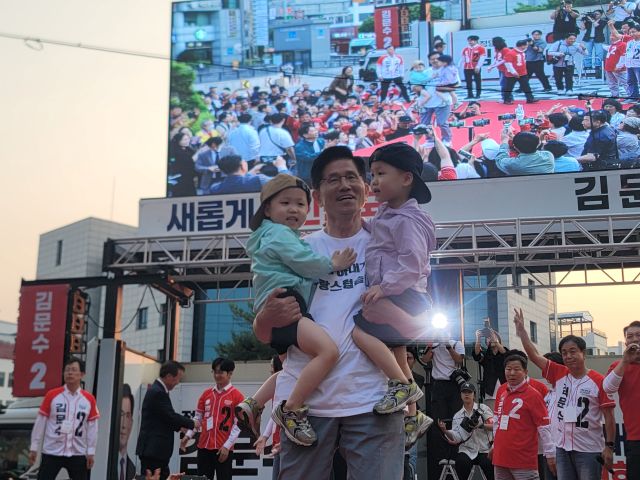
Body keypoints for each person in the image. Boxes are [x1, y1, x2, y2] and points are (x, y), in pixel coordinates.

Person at [253, 146, 405, 480]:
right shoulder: (298, 250)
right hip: (306, 408)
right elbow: (264, 333)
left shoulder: (388, 245)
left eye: (352, 177)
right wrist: (267, 316)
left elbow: (409, 319)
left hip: (374, 402)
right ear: (317, 196)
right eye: (333, 179)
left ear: (365, 188)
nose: (344, 185)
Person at [245, 173, 356, 447]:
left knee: (292, 365)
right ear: (267, 209)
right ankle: (291, 408)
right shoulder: (280, 234)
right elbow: (303, 261)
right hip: (287, 302)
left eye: (300, 204)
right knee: (328, 352)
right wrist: (332, 264)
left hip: (281, 306)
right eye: (285, 203)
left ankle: (256, 404)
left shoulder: (270, 235)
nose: (294, 209)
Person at [351, 143, 435, 449]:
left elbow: (412, 264)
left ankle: (402, 385)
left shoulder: (407, 221)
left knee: (360, 333)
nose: (373, 181)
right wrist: (360, 224)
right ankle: (414, 415)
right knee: (397, 351)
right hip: (402, 293)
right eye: (372, 174)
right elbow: (380, 233)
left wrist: (384, 288)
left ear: (406, 178)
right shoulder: (389, 213)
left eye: (380, 173)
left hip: (403, 294)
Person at [513, 308, 617, 480]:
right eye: (564, 353)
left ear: (583, 353)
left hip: (589, 450)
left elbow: (609, 416)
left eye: (573, 351)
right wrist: (522, 331)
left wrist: (610, 447)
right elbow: (534, 355)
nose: (568, 356)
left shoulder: (599, 381)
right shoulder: (558, 373)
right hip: (562, 448)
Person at [29, 357, 99, 480]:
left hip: (77, 452)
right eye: (67, 370)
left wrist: (91, 451)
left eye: (74, 370)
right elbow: (40, 421)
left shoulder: (89, 399)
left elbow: (93, 426)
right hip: (52, 451)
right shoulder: (52, 395)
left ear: (82, 374)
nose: (70, 373)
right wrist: (34, 447)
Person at [491, 352, 554, 480]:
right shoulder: (502, 391)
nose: (512, 373)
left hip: (523, 459)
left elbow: (544, 426)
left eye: (516, 369)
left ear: (525, 372)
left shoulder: (533, 394)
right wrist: (494, 445)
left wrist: (550, 453)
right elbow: (497, 420)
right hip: (501, 457)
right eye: (508, 369)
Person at [180, 358, 244, 480]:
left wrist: (227, 446)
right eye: (214, 372)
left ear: (230, 373)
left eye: (220, 372)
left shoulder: (237, 396)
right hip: (204, 447)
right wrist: (187, 436)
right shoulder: (206, 394)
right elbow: (198, 419)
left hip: (223, 449)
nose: (216, 375)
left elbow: (238, 425)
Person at [136, 360, 196, 480]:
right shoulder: (158, 392)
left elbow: (163, 418)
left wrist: (180, 427)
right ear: (168, 376)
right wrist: (192, 423)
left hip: (156, 451)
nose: (177, 382)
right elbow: (170, 416)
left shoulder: (158, 390)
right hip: (154, 451)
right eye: (177, 379)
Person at [603, 321, 640, 480]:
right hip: (636, 439)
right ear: (626, 343)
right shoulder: (619, 366)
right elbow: (608, 388)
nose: (634, 339)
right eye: (630, 336)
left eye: (638, 335)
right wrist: (625, 360)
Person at [438, 382, 494, 480]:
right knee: (461, 462)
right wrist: (445, 431)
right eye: (464, 392)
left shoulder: (483, 409)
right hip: (467, 449)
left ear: (474, 395)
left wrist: (481, 425)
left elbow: (494, 426)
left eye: (469, 392)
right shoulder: (457, 415)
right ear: (461, 395)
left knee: (489, 464)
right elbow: (457, 437)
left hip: (484, 448)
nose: (466, 394)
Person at [209, 155, 289, 195]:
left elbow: (236, 181)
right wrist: (282, 167)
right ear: (242, 166)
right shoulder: (259, 180)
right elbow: (286, 183)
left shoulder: (215, 188)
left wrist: (251, 171)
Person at [473, 328, 508, 410]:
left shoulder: (503, 351)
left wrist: (495, 340)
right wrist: (478, 338)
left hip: (506, 391)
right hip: (490, 393)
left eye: (492, 337)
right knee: (491, 415)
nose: (490, 339)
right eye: (488, 338)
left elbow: (506, 354)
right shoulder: (486, 354)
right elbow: (477, 355)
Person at [168, 131, 197, 197]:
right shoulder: (174, 151)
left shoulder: (189, 149)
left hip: (190, 178)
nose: (187, 141)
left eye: (188, 139)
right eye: (184, 139)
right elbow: (188, 162)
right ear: (178, 141)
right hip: (180, 179)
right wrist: (198, 154)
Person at [118, 384, 136, 480]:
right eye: (121, 415)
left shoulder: (132, 469)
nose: (124, 425)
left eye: (128, 416)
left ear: (131, 424)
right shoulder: (101, 463)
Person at [604, 31, 628, 97]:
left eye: (613, 36)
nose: (611, 37)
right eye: (611, 35)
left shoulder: (623, 44)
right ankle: (615, 95)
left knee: (625, 82)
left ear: (619, 36)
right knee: (612, 83)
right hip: (609, 67)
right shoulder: (612, 45)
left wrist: (620, 66)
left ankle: (632, 96)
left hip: (618, 68)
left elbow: (624, 56)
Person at [625, 24, 640, 98]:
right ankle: (633, 97)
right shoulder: (629, 42)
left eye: (633, 32)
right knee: (630, 81)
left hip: (638, 65)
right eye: (630, 32)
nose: (631, 34)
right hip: (630, 65)